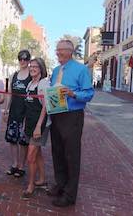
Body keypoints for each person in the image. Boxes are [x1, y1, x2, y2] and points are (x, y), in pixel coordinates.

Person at [47, 39, 94, 207]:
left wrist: (73, 94)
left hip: (72, 116)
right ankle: (60, 184)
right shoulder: (55, 70)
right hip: (56, 115)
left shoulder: (81, 70)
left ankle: (69, 194)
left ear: (70, 51)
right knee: (57, 152)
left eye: (60, 50)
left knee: (71, 155)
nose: (57, 53)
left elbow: (89, 93)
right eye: (56, 49)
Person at [21, 58, 50, 199]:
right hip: (30, 124)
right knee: (37, 154)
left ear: (41, 68)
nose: (32, 68)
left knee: (31, 156)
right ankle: (42, 179)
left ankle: (31, 185)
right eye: (31, 66)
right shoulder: (30, 84)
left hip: (40, 125)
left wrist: (38, 126)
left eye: (35, 66)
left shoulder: (43, 83)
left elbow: (45, 107)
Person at [4, 50, 32, 178]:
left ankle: (21, 166)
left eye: (25, 59)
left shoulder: (31, 75)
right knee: (12, 139)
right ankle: (14, 164)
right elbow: (10, 93)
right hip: (13, 111)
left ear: (29, 60)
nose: (23, 61)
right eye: (20, 58)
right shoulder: (14, 75)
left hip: (25, 113)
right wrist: (6, 109)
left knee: (23, 141)